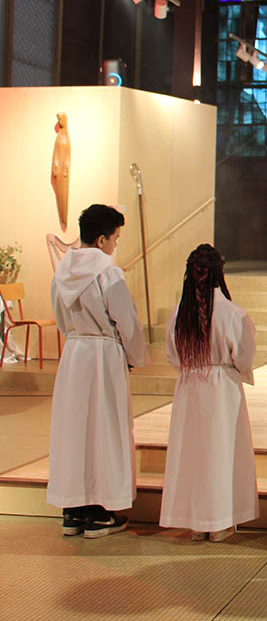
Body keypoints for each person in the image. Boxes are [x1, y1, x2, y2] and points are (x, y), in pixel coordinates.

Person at [47, 204, 147, 538]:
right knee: (105, 428)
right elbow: (126, 320)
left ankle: (74, 510)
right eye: (116, 239)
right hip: (104, 353)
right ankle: (102, 511)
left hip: (75, 353)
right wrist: (133, 355)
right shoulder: (107, 270)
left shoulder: (63, 269)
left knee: (76, 431)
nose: (116, 246)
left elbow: (61, 319)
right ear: (103, 239)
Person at [160, 244, 259, 542]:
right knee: (220, 453)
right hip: (221, 390)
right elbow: (243, 355)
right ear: (220, 272)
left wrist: (193, 369)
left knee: (193, 454)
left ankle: (196, 522)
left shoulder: (180, 312)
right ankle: (219, 522)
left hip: (190, 387)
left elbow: (172, 355)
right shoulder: (232, 312)